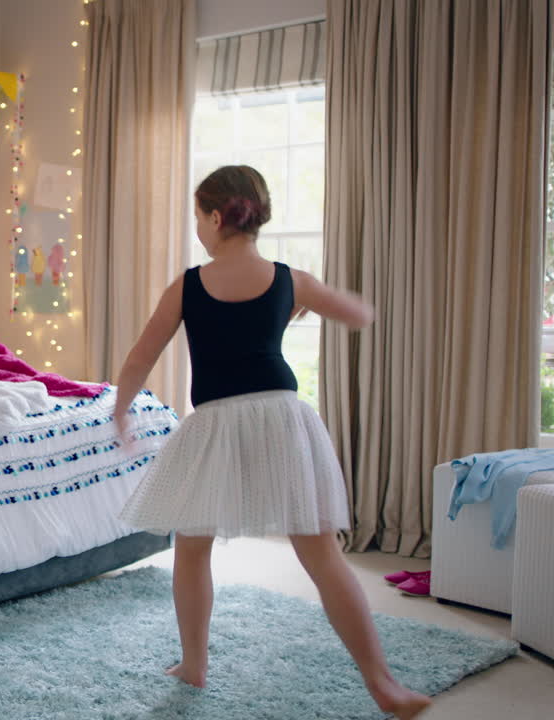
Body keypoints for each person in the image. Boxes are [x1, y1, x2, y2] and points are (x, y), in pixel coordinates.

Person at [113, 166, 431, 719]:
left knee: (192, 549)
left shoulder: (187, 285)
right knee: (323, 556)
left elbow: (142, 356)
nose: (196, 229)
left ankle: (194, 663)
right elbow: (359, 313)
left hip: (214, 422)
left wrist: (120, 412)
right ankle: (384, 684)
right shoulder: (289, 278)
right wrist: (297, 298)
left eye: (196, 218)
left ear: (215, 217)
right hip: (281, 417)